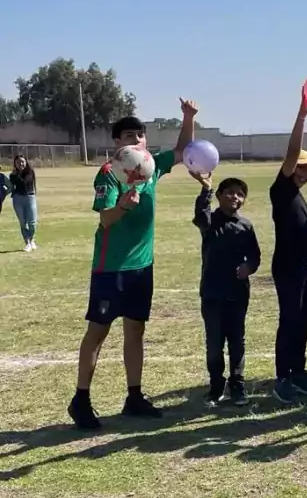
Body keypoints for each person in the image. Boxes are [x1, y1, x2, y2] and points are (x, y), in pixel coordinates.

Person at [67, 99, 197, 430]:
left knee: (135, 330)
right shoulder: (110, 173)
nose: (137, 140)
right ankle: (80, 399)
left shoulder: (150, 167)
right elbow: (106, 220)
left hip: (143, 266)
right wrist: (123, 206)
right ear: (117, 142)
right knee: (98, 331)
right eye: (129, 135)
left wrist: (188, 117)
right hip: (111, 268)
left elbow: (183, 150)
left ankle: (134, 396)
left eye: (140, 135)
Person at [191, 173, 261, 407]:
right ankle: (216, 385)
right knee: (214, 341)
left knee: (237, 341)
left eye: (240, 194)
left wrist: (248, 267)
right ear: (220, 196)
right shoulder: (209, 221)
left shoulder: (246, 226)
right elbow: (200, 214)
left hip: (238, 293)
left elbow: (255, 256)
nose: (235, 197)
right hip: (212, 293)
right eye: (229, 192)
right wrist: (206, 189)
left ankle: (237, 383)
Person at [270, 93, 307, 403]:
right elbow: (291, 152)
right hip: (288, 267)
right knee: (289, 320)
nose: (304, 173)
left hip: (305, 268)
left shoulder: (299, 196)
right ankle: (283, 377)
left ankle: (298, 371)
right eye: (300, 168)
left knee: (302, 320)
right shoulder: (282, 190)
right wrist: (302, 116)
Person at [9, 155, 38, 252]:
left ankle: (32, 239)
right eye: (18, 162)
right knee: (22, 222)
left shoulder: (30, 172)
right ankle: (27, 242)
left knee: (32, 222)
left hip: (30, 198)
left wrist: (15, 176)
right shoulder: (12, 175)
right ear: (15, 164)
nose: (20, 164)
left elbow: (24, 183)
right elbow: (12, 186)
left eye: (22, 161)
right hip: (18, 199)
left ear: (26, 162)